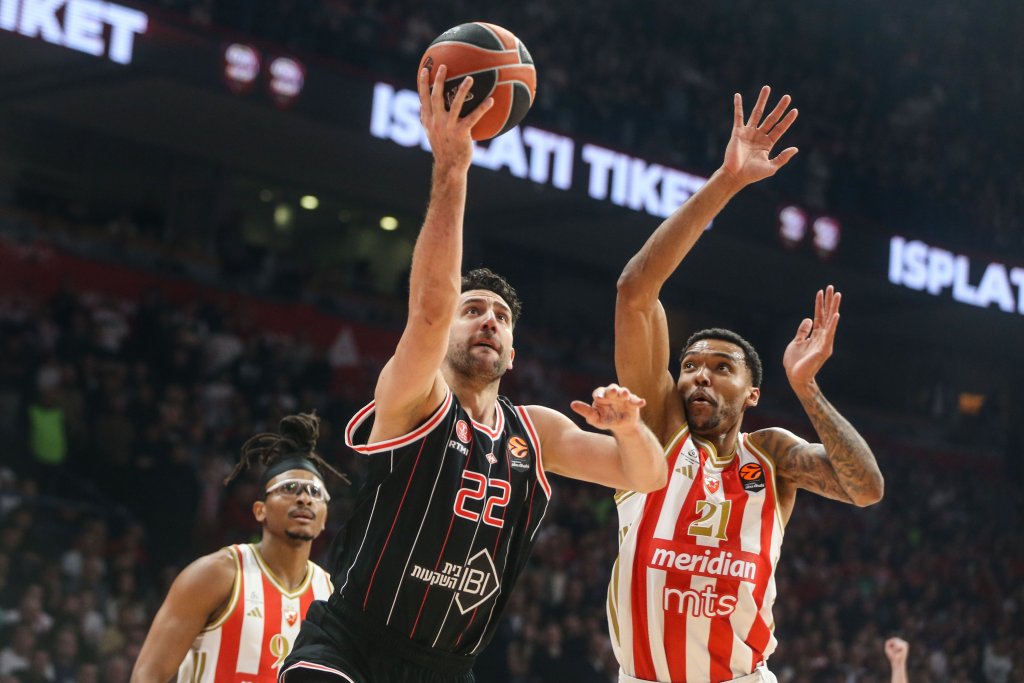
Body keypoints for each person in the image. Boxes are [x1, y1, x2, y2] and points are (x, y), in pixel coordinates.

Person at [279, 65, 667, 683]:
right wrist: (452, 168)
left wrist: (627, 428)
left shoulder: (536, 431)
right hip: (350, 643)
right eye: (474, 310)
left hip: (447, 667)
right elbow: (430, 311)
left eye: (501, 318)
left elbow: (646, 476)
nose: (488, 320)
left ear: (513, 354)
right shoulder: (413, 397)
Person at [609, 85, 885, 683]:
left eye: (721, 367)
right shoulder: (657, 430)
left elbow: (866, 489)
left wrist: (808, 389)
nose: (699, 374)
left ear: (752, 394)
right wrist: (727, 182)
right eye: (690, 365)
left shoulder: (773, 456)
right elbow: (635, 292)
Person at [130, 413, 344, 683]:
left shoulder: (329, 596)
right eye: (289, 488)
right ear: (260, 510)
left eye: (315, 492)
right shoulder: (216, 574)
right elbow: (148, 675)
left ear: (324, 517)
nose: (304, 498)